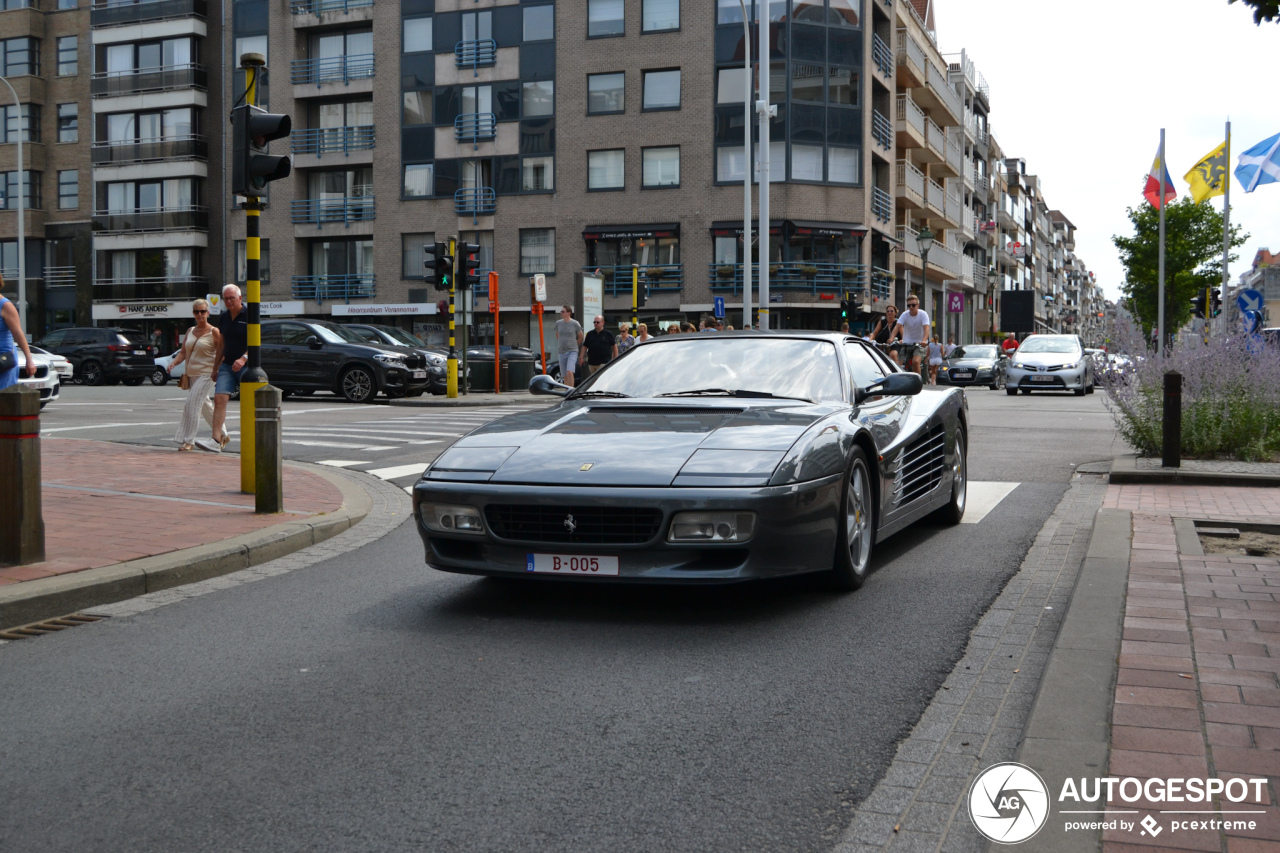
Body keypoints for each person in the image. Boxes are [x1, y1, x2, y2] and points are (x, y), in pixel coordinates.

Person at [199, 283, 247, 453]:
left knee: (250, 402)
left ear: (240, 298)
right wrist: (215, 367)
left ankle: (253, 438)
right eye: (225, 299)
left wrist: (243, 358)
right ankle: (216, 440)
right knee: (219, 399)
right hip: (227, 364)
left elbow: (258, 341)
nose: (228, 301)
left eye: (231, 298)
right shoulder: (224, 317)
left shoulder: (250, 315)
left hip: (247, 365)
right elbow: (221, 344)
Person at [168, 299, 221, 451]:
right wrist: (174, 363)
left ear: (207, 313)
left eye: (203, 311)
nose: (200, 314)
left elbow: (221, 352)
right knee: (205, 407)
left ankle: (188, 441)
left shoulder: (214, 332)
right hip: (192, 375)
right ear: (193, 313)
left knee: (191, 404)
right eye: (196, 312)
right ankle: (222, 434)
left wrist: (217, 370)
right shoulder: (190, 331)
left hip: (207, 374)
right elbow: (183, 351)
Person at [0, 283, 36, 391]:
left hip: (3, 360)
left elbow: (18, 333)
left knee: (4, 397)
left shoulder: (6, 306)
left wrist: (29, 359)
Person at [893, 294, 931, 378]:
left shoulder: (923, 314)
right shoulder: (905, 314)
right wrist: (891, 338)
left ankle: (918, 383)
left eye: (913, 305)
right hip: (907, 343)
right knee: (899, 364)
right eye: (909, 305)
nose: (911, 307)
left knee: (915, 362)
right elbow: (897, 327)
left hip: (919, 344)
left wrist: (924, 340)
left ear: (918, 305)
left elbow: (926, 329)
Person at [554, 305, 584, 387]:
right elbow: (557, 335)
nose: (561, 313)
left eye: (563, 311)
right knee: (564, 375)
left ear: (569, 313)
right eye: (561, 311)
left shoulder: (575, 323)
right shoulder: (558, 323)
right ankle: (567, 391)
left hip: (572, 351)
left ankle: (571, 391)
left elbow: (581, 337)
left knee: (569, 372)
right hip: (561, 351)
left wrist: (575, 344)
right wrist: (562, 343)